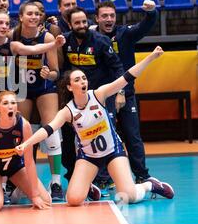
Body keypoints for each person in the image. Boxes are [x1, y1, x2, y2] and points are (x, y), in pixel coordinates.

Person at [16, 46, 174, 206]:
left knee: (129, 197)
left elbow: (126, 77)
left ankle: (150, 185)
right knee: (73, 200)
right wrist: (27, 143)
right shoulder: (67, 111)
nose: (82, 81)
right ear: (70, 87)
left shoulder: (99, 94)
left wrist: (151, 57)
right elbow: (47, 130)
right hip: (88, 157)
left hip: (113, 151)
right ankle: (89, 188)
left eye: (83, 78)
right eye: (77, 80)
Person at [92, 0, 159, 185]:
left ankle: (142, 176)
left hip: (126, 94)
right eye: (104, 16)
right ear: (97, 18)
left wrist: (152, 12)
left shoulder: (125, 34)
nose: (109, 19)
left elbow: (145, 26)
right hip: (102, 97)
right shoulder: (92, 37)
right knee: (104, 136)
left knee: (133, 136)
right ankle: (104, 179)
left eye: (112, 16)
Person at [60, 7, 124, 195]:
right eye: (77, 23)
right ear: (70, 24)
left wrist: (120, 93)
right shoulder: (66, 42)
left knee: (104, 133)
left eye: (84, 22)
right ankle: (75, 176)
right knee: (71, 137)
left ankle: (104, 179)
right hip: (76, 99)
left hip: (100, 97)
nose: (81, 26)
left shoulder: (101, 41)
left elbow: (117, 67)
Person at [12, 2, 65, 200]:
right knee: (20, 130)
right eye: (30, 14)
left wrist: (48, 74)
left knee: (51, 128)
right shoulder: (13, 36)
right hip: (22, 89)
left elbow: (55, 72)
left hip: (44, 88)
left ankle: (56, 181)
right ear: (21, 17)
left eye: (37, 14)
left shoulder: (48, 37)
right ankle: (21, 178)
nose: (34, 17)